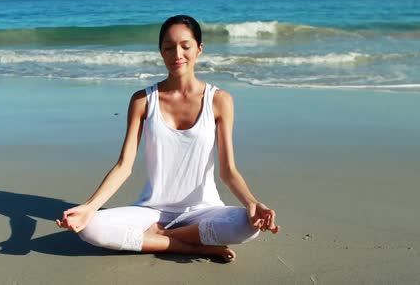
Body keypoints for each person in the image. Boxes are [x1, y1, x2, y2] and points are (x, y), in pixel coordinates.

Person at [56, 15, 279, 262]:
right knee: (90, 228)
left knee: (248, 226)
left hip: (203, 210)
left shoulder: (219, 101)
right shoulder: (143, 100)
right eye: (169, 47)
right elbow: (124, 166)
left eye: (185, 46)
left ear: (199, 49)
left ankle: (161, 236)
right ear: (161, 52)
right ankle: (191, 247)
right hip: (152, 210)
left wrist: (251, 203)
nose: (177, 54)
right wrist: (89, 207)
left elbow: (228, 171)